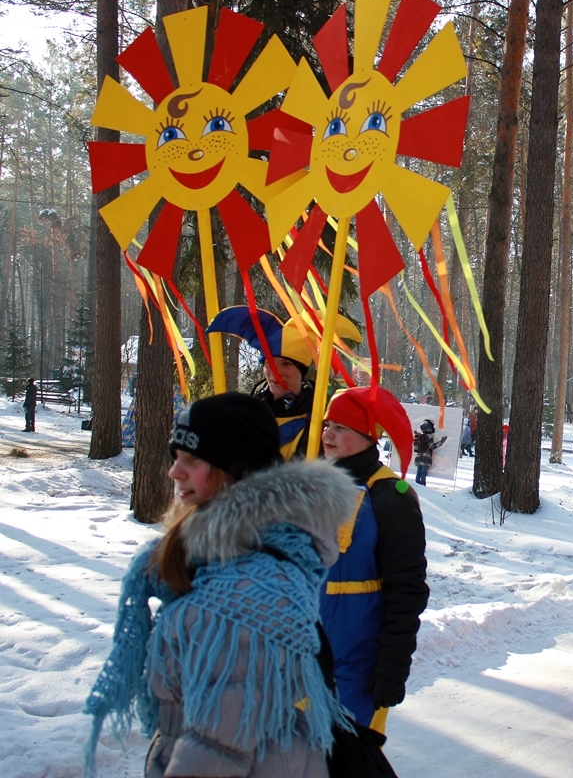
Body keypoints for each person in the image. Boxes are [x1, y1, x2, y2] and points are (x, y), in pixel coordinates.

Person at [83, 393, 357, 778]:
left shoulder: (243, 596)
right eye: (175, 457)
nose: (173, 472)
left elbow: (215, 750)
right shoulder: (217, 560)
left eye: (192, 460)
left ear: (233, 472)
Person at [320, 387, 430, 726]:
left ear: (368, 437)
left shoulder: (390, 498)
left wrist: (392, 667)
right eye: (327, 424)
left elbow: (407, 591)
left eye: (341, 428)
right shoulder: (313, 486)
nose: (328, 434)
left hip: (357, 667)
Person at [207, 305, 361, 460]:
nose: (276, 372)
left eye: (286, 364)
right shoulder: (248, 414)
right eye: (269, 364)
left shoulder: (323, 422)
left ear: (301, 370)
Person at [412, 419, 448, 485]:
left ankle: (416, 484)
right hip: (426, 458)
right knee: (423, 472)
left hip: (418, 457)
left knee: (418, 472)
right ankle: (422, 484)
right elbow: (432, 446)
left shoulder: (419, 435)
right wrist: (441, 442)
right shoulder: (429, 436)